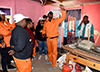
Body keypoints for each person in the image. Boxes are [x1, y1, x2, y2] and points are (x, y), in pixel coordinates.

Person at [42, 4, 66, 70]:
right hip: (48, 39)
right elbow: (44, 29)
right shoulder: (46, 23)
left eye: (51, 14)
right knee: (49, 51)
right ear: (47, 16)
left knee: (54, 52)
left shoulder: (56, 21)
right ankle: (50, 61)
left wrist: (63, 10)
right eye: (49, 14)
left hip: (54, 39)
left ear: (52, 15)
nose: (50, 15)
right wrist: (43, 34)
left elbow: (63, 18)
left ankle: (54, 64)